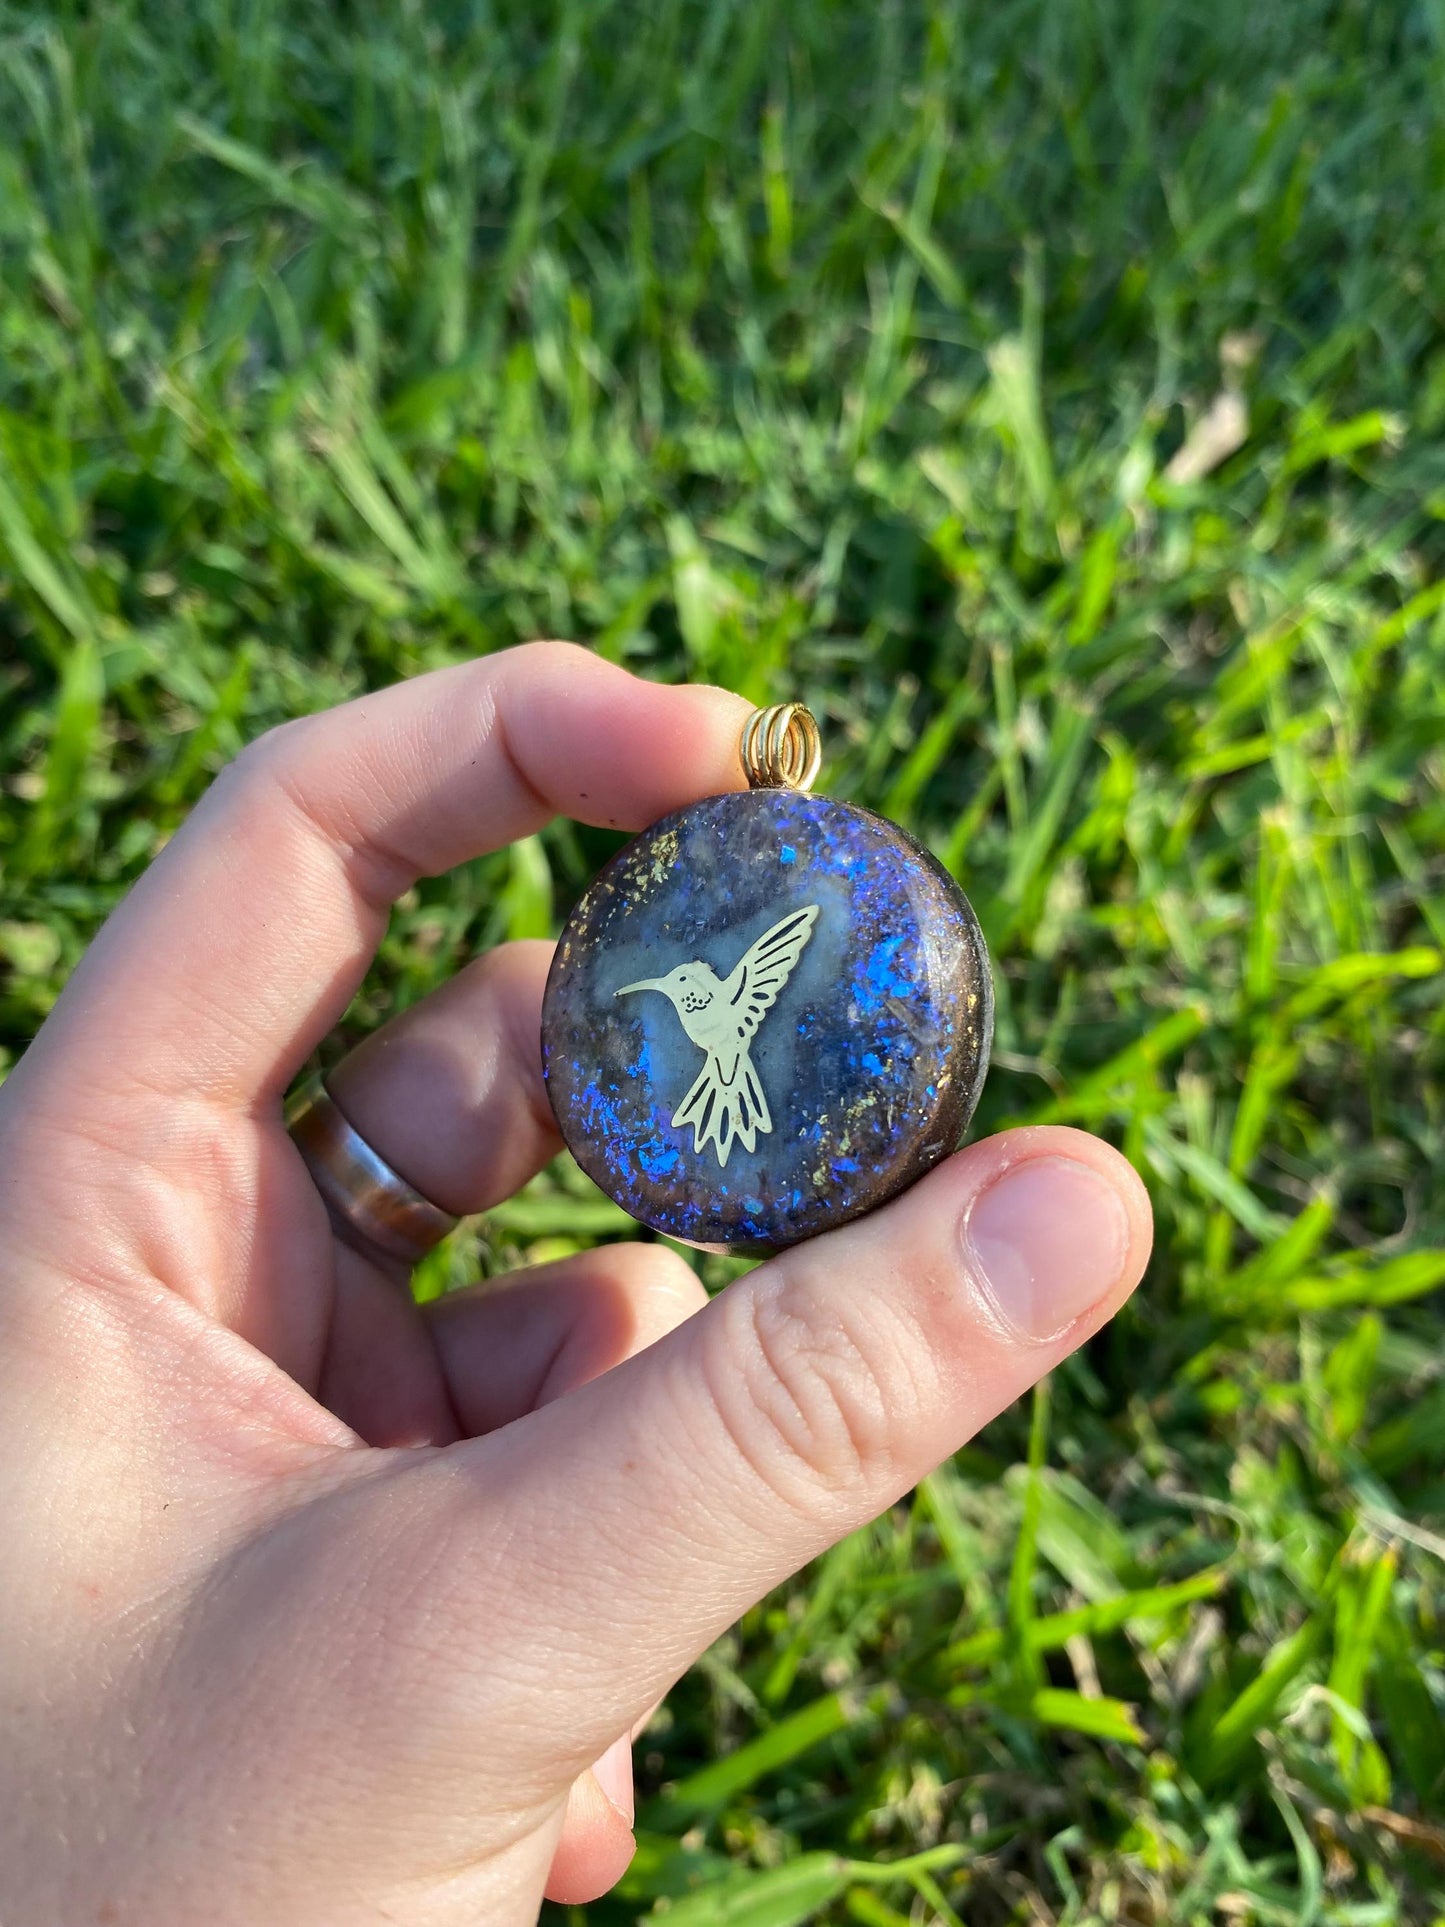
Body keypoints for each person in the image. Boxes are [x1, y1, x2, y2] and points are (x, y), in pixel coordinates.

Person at [0, 644, 1152, 1924]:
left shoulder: (784, 932)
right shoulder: (687, 958)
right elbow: (665, 979)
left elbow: (749, 959)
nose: (685, 980)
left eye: (695, 976)